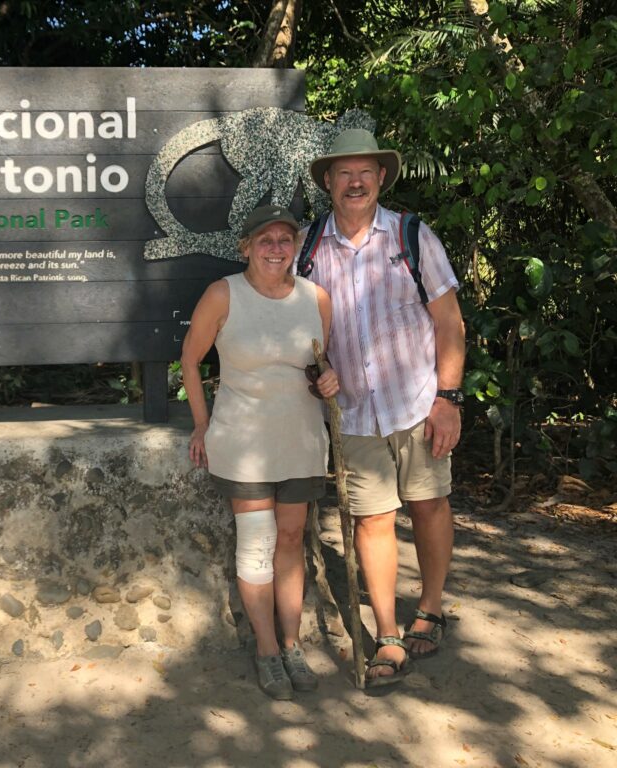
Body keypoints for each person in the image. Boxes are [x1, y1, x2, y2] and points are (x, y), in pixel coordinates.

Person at [303, 129, 465, 687]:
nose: (355, 182)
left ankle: (432, 607)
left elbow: (450, 324)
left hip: (418, 404)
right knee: (371, 520)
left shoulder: (412, 237)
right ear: (328, 181)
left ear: (380, 178)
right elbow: (298, 335)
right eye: (344, 173)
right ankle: (390, 634)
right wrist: (313, 373)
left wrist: (448, 400)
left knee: (429, 506)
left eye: (365, 172)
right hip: (353, 414)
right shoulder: (305, 249)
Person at [182, 205, 340, 700]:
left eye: (285, 239)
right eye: (265, 240)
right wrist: (202, 425)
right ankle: (267, 650)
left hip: (300, 439)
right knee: (256, 544)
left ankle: (293, 644)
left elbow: (317, 367)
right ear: (246, 247)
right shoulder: (223, 294)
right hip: (242, 440)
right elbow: (189, 359)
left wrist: (328, 380)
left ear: (295, 247)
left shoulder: (316, 298)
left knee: (291, 539)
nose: (276, 248)